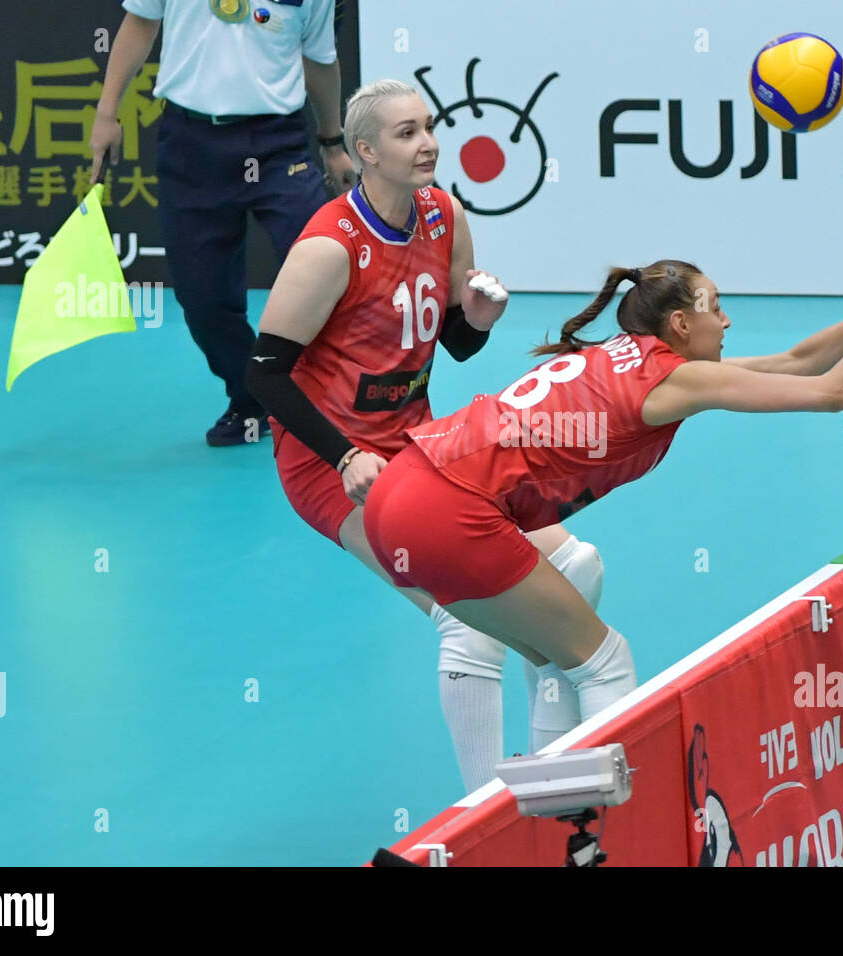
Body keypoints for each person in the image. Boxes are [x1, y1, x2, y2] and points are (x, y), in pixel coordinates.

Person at [362, 234, 843, 724]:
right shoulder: (674, 381)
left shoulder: (630, 356)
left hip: (396, 496)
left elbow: (796, 361)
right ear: (682, 322)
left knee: (558, 664)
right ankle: (603, 840)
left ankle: (556, 836)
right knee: (604, 661)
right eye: (717, 307)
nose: (728, 318)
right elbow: (834, 392)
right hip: (449, 508)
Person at [243, 80, 609, 793]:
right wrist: (345, 453)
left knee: (579, 566)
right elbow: (263, 375)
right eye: (407, 133)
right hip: (333, 466)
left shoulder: (443, 215)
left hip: (419, 444)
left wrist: (476, 315)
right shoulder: (328, 247)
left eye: (429, 127)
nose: (428, 143)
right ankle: (485, 810)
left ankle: (543, 750)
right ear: (367, 152)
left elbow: (456, 344)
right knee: (469, 621)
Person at [89, 0, 356, 446]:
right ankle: (253, 398)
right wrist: (106, 112)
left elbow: (320, 60)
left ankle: (340, 402)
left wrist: (332, 141)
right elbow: (139, 24)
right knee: (203, 298)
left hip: (278, 144)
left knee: (325, 267)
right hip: (191, 144)